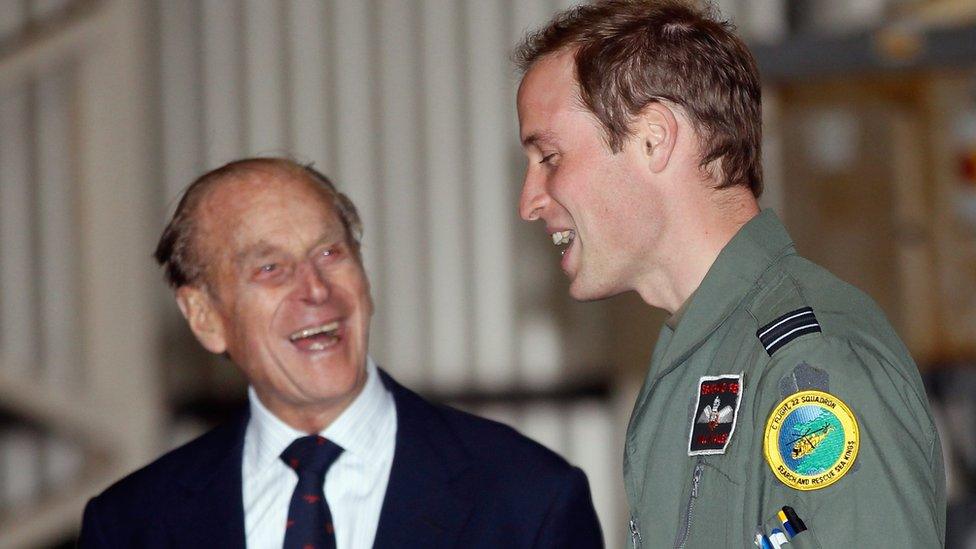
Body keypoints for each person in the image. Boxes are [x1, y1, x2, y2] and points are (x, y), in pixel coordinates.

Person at [513, 1, 945, 547]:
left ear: (654, 138)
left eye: (549, 157)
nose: (529, 202)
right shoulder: (697, 362)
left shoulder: (812, 365)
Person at [78, 158, 603, 548]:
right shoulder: (131, 524)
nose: (315, 290)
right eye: (270, 268)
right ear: (206, 317)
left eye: (330, 253)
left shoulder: (528, 499)